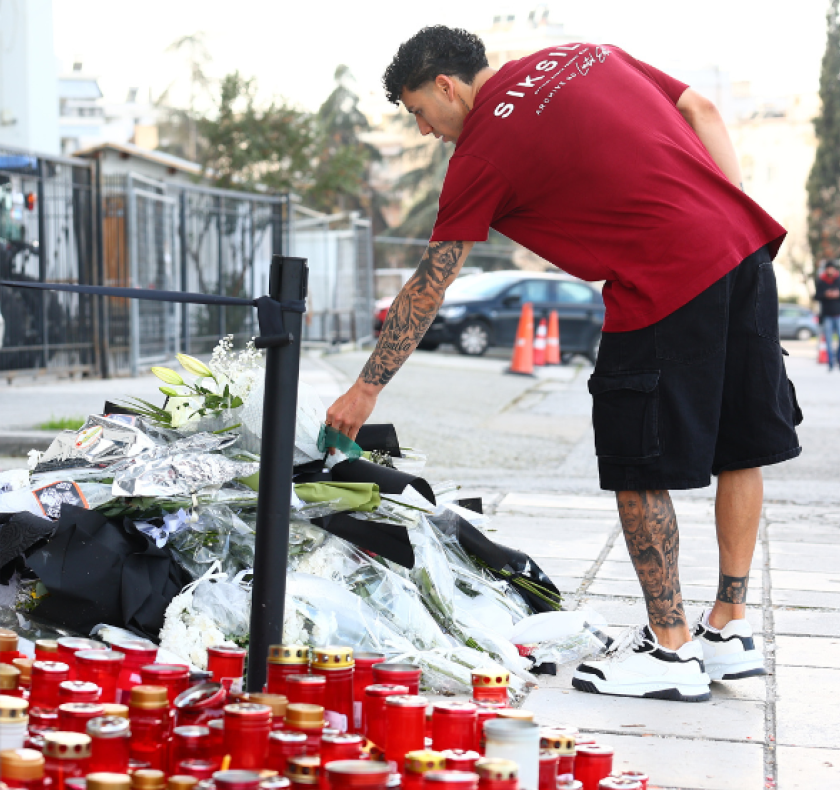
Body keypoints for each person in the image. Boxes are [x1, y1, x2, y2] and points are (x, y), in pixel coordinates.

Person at [324, 27, 802, 702]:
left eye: (418, 112)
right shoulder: (582, 54)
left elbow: (431, 283)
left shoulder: (481, 153)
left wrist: (366, 389)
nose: (425, 131)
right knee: (740, 444)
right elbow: (703, 110)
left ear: (445, 87)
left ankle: (671, 650)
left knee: (635, 459)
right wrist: (719, 221)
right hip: (741, 244)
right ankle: (729, 625)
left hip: (660, 275)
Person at [815, 261, 840, 370]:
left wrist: (838, 294)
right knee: (828, 340)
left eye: (831, 268)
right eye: (828, 268)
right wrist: (825, 295)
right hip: (827, 315)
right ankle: (830, 362)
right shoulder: (821, 281)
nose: (830, 271)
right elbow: (816, 296)